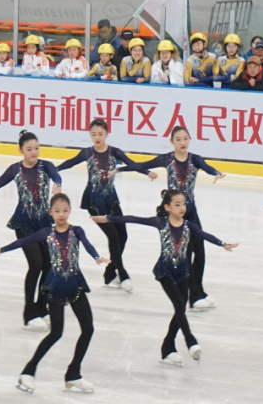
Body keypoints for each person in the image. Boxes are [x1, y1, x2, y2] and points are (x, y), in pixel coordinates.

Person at [95, 190, 236, 365]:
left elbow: (204, 235)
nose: (182, 207)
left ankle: (167, 348)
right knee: (178, 304)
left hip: (183, 272)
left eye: (184, 204)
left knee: (180, 310)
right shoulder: (160, 222)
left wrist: (223, 244)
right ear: (167, 207)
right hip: (165, 272)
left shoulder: (188, 225)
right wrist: (109, 219)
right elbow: (134, 219)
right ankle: (190, 341)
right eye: (177, 204)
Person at [0, 193, 107, 394]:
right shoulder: (46, 232)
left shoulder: (77, 231)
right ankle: (28, 371)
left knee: (88, 328)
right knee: (56, 332)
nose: (61, 214)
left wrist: (97, 258)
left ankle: (73, 374)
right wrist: (2, 249)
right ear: (50, 212)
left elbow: (88, 245)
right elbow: (23, 241)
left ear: (69, 211)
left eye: (65, 210)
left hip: (75, 284)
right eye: (57, 211)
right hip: (55, 286)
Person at [0, 130, 64, 331]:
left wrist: (58, 184)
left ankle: (42, 308)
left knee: (49, 266)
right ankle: (29, 312)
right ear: (21, 150)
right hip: (23, 224)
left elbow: (56, 175)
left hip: (44, 224)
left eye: (37, 148)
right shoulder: (15, 169)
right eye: (29, 149)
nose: (34, 152)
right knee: (36, 265)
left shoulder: (46, 166)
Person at [55, 118, 157, 291]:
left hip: (111, 200)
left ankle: (110, 272)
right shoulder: (87, 153)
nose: (97, 137)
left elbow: (131, 163)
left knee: (123, 236)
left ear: (107, 133)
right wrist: (53, 171)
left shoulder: (115, 152)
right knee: (114, 236)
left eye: (100, 134)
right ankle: (122, 274)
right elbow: (70, 162)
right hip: (93, 201)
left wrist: (147, 172)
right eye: (93, 134)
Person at [133, 126, 225, 311]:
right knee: (187, 253)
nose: (182, 142)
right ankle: (195, 296)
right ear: (172, 141)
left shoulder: (195, 159)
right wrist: (120, 169)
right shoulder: (166, 159)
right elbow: (142, 165)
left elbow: (207, 167)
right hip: (175, 215)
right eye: (178, 139)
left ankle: (198, 291)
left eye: (185, 138)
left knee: (200, 252)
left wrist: (216, 173)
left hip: (191, 211)